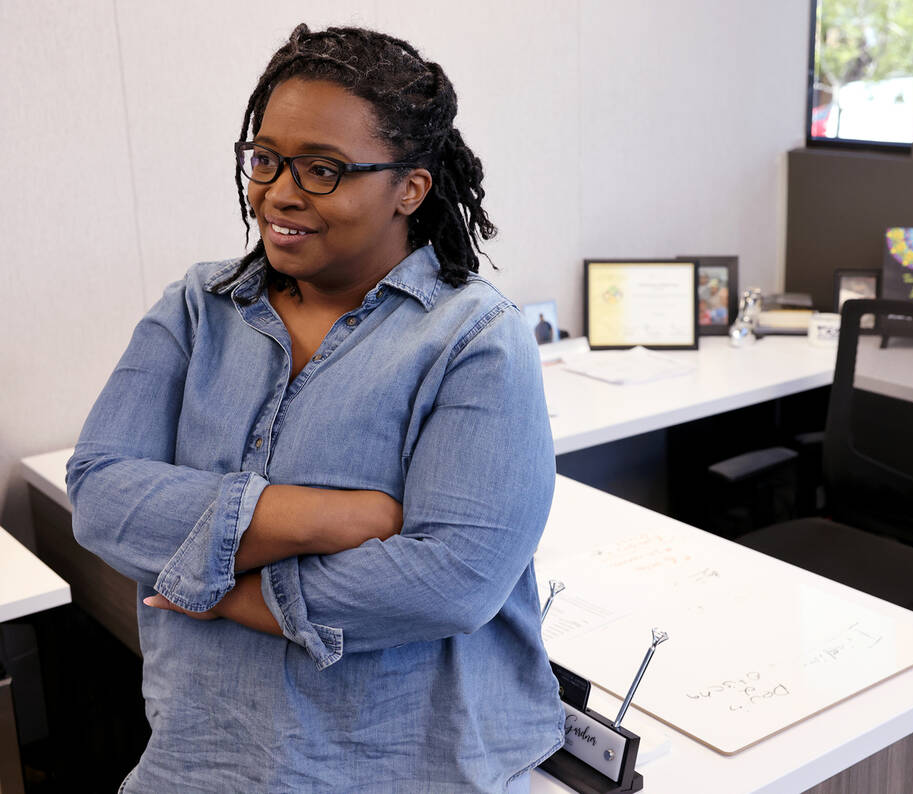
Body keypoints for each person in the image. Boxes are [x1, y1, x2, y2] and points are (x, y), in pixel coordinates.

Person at [67, 24, 563, 792]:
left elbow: (453, 579)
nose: (279, 192)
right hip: (205, 756)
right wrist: (326, 518)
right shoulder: (199, 309)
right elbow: (100, 494)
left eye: (323, 170)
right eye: (265, 159)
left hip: (400, 766)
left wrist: (222, 591)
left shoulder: (474, 340)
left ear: (410, 188)